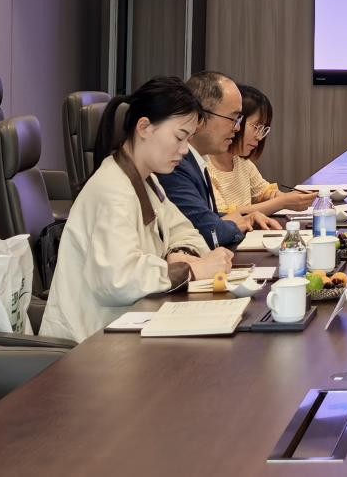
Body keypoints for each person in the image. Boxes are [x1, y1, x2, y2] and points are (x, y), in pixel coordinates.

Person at [39, 77, 233, 342]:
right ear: (144, 127)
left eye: (188, 139)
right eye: (179, 137)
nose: (185, 150)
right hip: (89, 345)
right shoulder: (112, 189)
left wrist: (181, 255)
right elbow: (119, 280)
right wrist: (190, 270)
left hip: (125, 330)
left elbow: (184, 231)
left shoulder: (147, 180)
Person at [160, 71, 278, 248]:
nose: (237, 128)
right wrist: (231, 225)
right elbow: (211, 232)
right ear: (200, 116)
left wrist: (247, 218)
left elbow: (209, 218)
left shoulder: (196, 160)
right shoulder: (176, 164)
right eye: (233, 118)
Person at [206, 84, 314, 218]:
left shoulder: (241, 163)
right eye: (256, 127)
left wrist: (289, 197)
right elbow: (223, 215)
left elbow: (264, 192)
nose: (259, 137)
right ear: (236, 121)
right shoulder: (205, 167)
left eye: (263, 130)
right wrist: (282, 202)